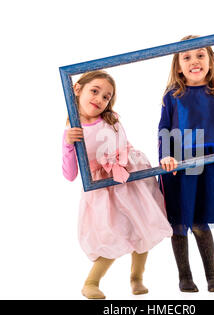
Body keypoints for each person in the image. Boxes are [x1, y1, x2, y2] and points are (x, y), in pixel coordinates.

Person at [62, 70, 172, 299]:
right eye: (95, 91)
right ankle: (91, 282)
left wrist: (124, 162)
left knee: (142, 227)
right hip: (103, 190)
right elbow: (70, 174)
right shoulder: (73, 130)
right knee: (113, 234)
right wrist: (68, 144)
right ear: (77, 89)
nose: (100, 99)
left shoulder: (111, 119)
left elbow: (122, 146)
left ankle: (137, 277)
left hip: (129, 178)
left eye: (106, 97)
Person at [158, 35, 214, 292]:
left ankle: (212, 275)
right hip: (180, 155)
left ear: (210, 59)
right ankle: (184, 276)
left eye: (200, 55)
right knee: (179, 219)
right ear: (178, 65)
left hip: (210, 155)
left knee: (199, 220)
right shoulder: (173, 94)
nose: (194, 61)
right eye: (186, 57)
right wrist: (166, 154)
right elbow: (164, 127)